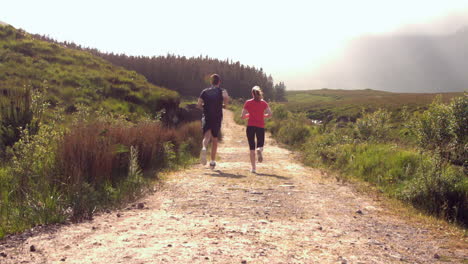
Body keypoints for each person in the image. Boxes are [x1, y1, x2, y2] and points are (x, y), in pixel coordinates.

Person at [197, 74, 229, 169]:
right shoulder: (222, 91)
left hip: (207, 116)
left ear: (211, 82)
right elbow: (226, 97)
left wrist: (204, 106)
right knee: (215, 139)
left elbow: (198, 104)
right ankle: (212, 162)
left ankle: (204, 148)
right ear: (219, 82)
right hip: (217, 117)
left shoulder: (204, 91)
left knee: (206, 136)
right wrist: (225, 105)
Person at [241, 86, 272, 173]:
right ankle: (259, 149)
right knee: (260, 144)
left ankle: (253, 168)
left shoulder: (248, 102)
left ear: (252, 94)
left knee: (251, 148)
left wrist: (249, 115)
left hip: (250, 126)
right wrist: (263, 116)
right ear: (259, 93)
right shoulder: (264, 103)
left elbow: (242, 116)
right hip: (260, 126)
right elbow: (270, 114)